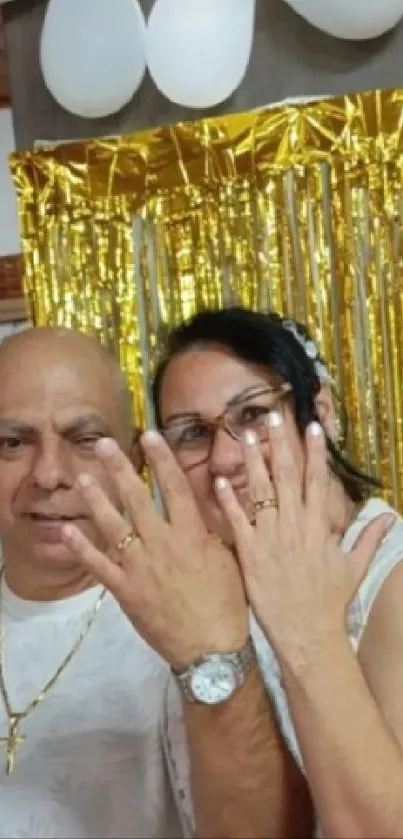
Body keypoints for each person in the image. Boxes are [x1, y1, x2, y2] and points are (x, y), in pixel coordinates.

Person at [61, 305, 402, 838]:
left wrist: (306, 630)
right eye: (193, 433)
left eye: (251, 415)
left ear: (322, 409)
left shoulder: (390, 568)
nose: (225, 457)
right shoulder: (205, 590)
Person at [0, 324, 311, 839]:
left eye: (85, 440)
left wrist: (209, 657)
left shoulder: (207, 605)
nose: (49, 474)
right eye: (13, 442)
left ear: (136, 460)